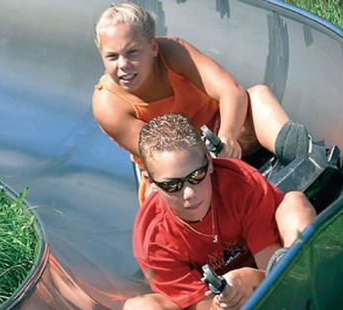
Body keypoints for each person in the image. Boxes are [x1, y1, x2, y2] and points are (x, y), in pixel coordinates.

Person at [123, 113, 316, 310]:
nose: (188, 193)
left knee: (295, 203)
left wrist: (248, 279)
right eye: (172, 185)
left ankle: (314, 291)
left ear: (210, 163)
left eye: (196, 176)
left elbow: (277, 276)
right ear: (152, 184)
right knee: (138, 308)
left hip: (271, 280)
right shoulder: (153, 242)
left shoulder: (240, 183)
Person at [92, 2, 310, 192]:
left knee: (258, 96)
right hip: (180, 173)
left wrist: (226, 137)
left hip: (218, 138)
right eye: (112, 57)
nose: (123, 65)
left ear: (153, 48)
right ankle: (246, 196)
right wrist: (210, 158)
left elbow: (231, 91)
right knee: (170, 185)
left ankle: (302, 161)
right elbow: (162, 157)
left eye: (132, 53)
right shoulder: (108, 104)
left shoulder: (173, 52)